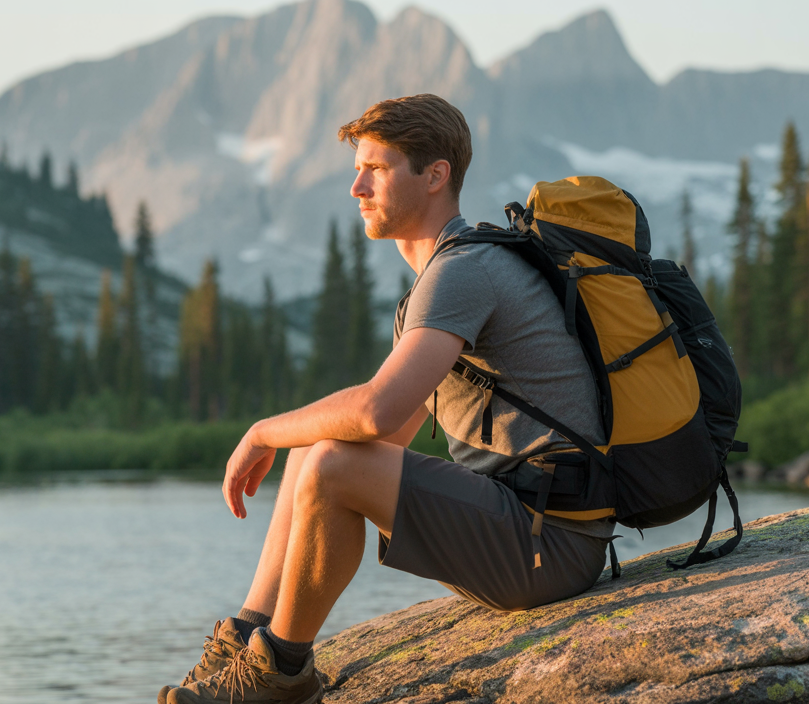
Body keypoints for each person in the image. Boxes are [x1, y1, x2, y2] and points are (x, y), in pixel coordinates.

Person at [159, 94, 613, 704]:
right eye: (357, 169)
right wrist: (295, 440)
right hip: (527, 531)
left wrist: (262, 430)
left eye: (375, 168)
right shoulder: (445, 277)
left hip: (550, 543)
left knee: (328, 460)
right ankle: (247, 636)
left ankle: (282, 675)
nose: (356, 187)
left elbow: (378, 412)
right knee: (320, 450)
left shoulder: (465, 270)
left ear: (435, 175)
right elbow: (379, 437)